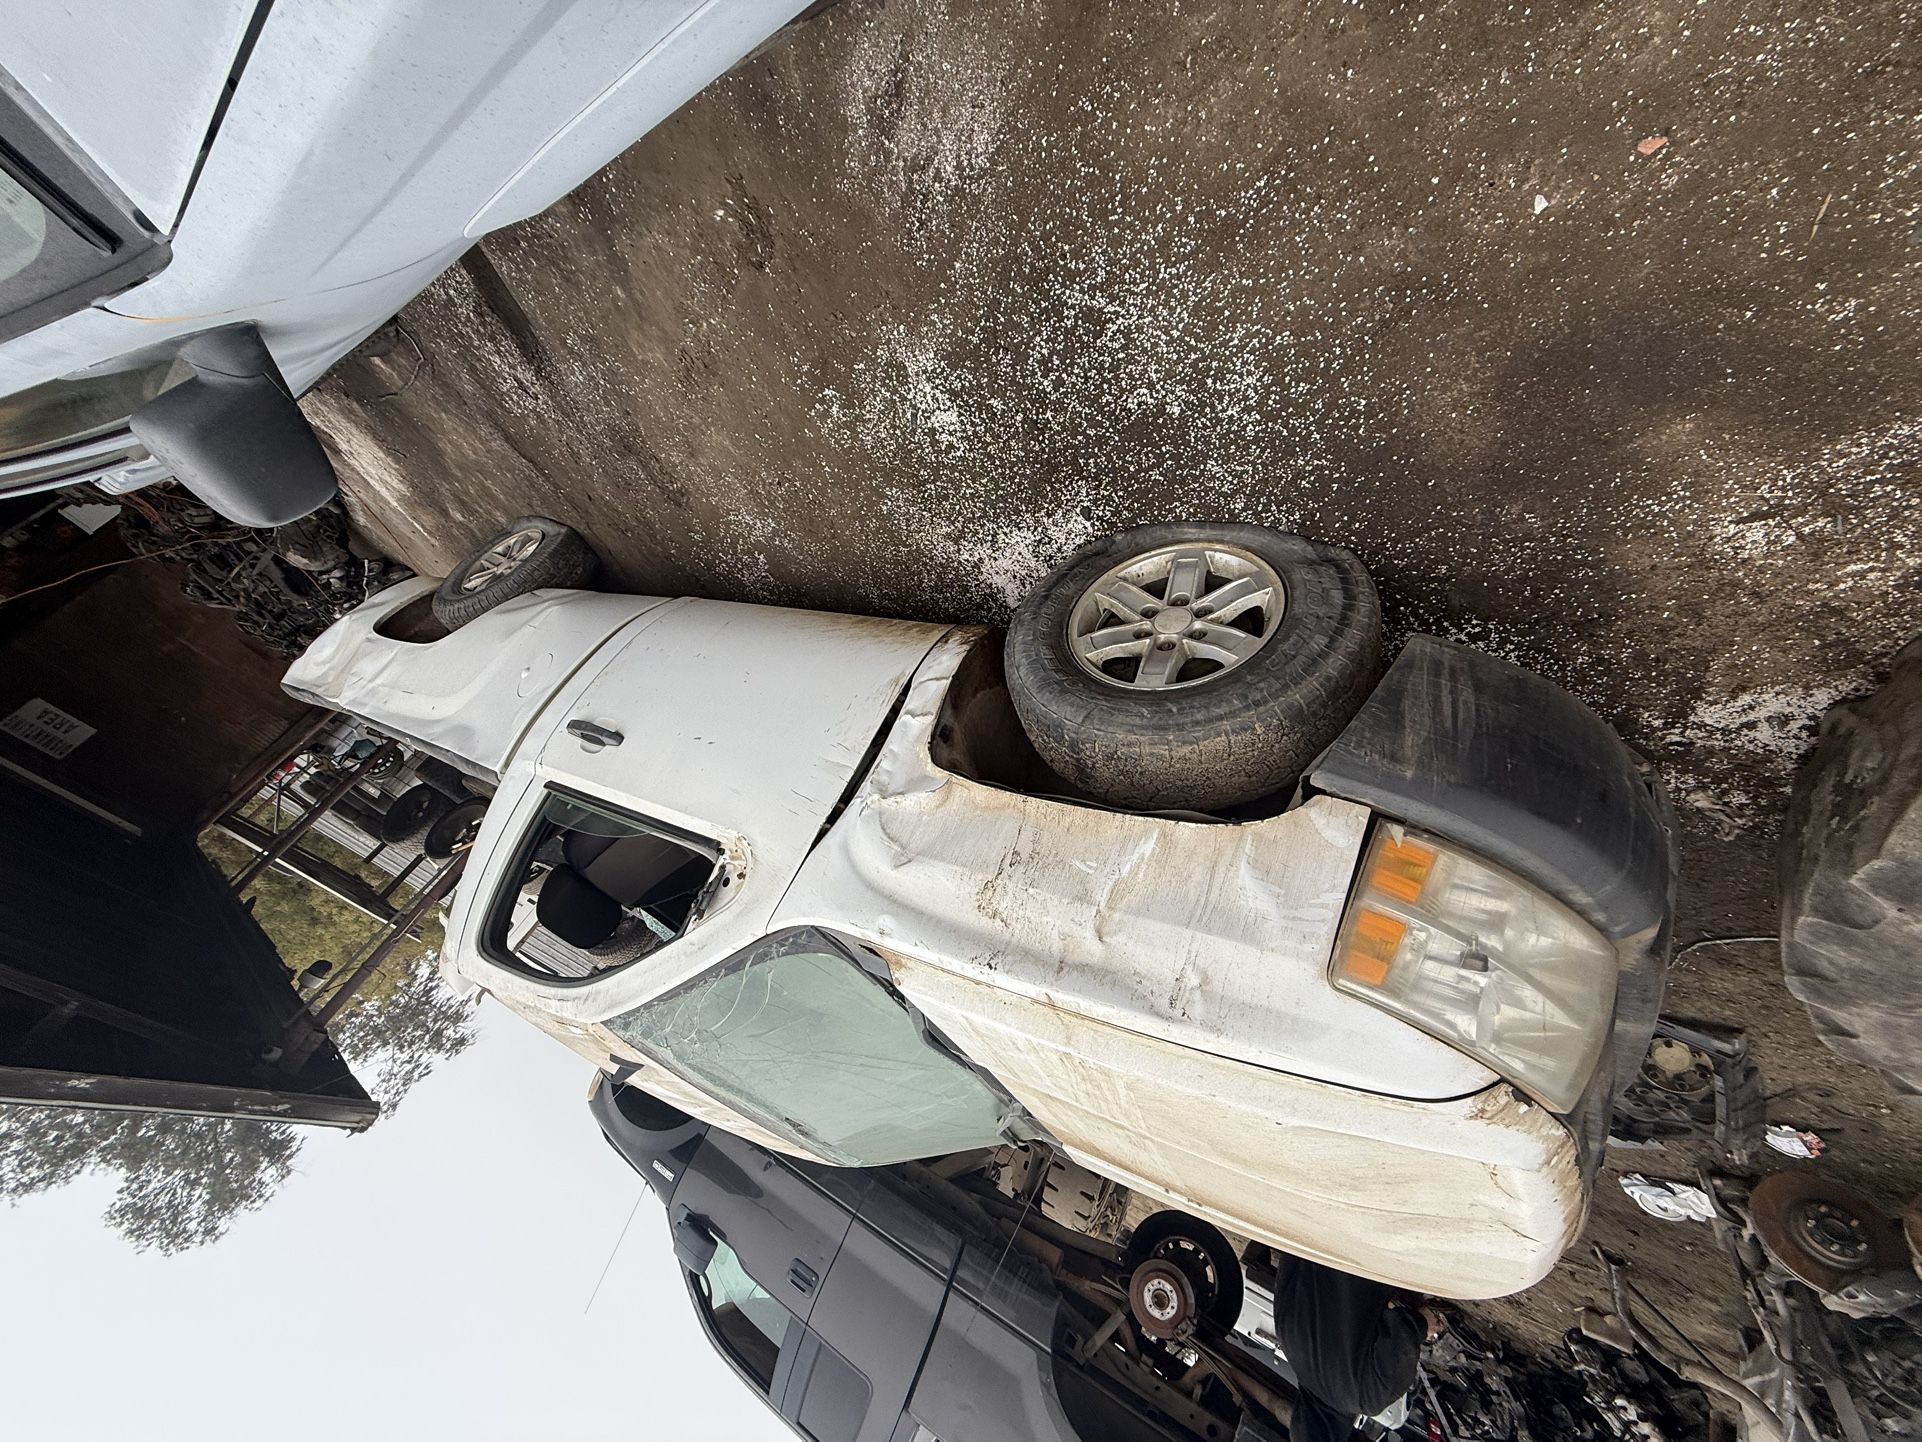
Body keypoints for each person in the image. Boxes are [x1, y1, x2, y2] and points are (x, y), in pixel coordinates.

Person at [1272, 1253, 1445, 1442]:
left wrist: (1424, 1325)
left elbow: (1404, 1331)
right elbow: (1292, 1251)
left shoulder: (1367, 1399)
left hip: (1378, 1246)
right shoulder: (1286, 1338)